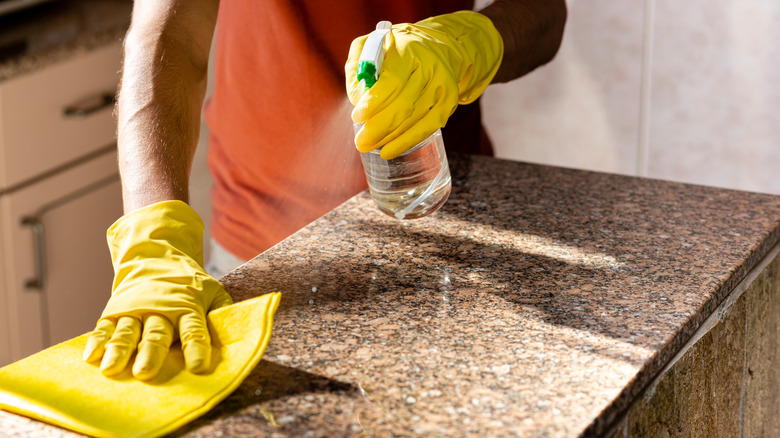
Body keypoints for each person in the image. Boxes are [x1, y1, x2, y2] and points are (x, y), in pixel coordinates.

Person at [82, 0, 567, 380]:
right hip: (266, 256)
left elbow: (544, 12)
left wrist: (464, 45)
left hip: (452, 230)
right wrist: (154, 237)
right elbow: (168, 33)